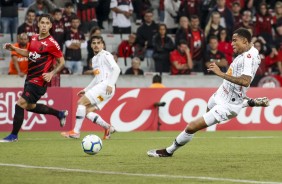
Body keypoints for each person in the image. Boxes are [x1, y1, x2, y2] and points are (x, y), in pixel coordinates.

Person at [147, 28, 269, 157]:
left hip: (228, 104)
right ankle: (249, 102)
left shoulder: (248, 57)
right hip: (221, 93)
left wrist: (220, 73)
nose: (231, 44)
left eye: (234, 41)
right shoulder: (252, 50)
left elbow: (245, 81)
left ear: (244, 41)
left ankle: (168, 151)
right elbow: (251, 44)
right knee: (206, 112)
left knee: (192, 126)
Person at [1, 13, 68, 142]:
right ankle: (59, 113)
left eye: (47, 23)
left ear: (50, 26)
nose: (44, 25)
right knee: (30, 106)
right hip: (30, 77)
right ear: (38, 24)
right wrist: (13, 48)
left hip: (39, 80)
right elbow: (28, 53)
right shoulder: (34, 38)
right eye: (42, 22)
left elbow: (62, 62)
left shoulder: (52, 43)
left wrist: (51, 74)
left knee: (20, 104)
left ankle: (13, 136)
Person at [61, 35, 121, 139]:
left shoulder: (106, 55)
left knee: (81, 103)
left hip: (106, 86)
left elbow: (116, 69)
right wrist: (86, 89)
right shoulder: (94, 59)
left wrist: (111, 84)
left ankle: (76, 132)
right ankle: (108, 128)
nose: (96, 45)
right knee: (87, 111)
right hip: (104, 90)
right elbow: (97, 78)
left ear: (103, 45)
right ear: (91, 45)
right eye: (94, 43)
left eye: (99, 43)